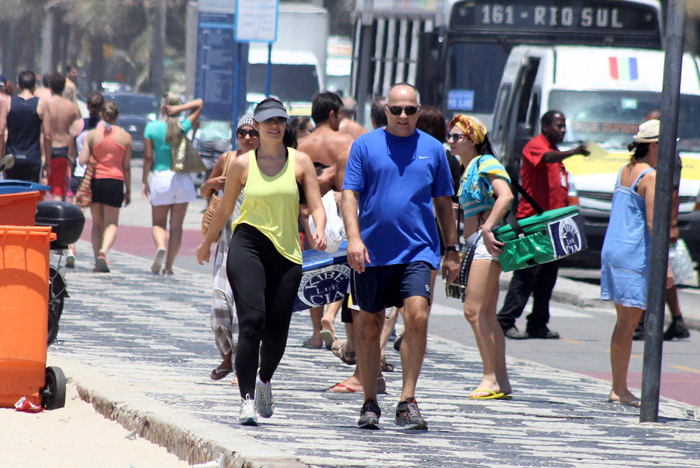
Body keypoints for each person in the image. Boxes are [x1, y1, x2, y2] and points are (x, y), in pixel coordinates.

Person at [195, 97, 327, 426]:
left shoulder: (301, 163)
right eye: (267, 121)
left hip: (286, 253)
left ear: (285, 125)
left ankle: (264, 380)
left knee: (277, 329)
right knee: (252, 322)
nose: (274, 126)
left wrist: (320, 230)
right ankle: (246, 400)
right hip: (247, 244)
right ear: (257, 124)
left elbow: (316, 205)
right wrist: (206, 243)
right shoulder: (241, 164)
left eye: (279, 120)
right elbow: (225, 209)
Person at [342, 83, 459, 430]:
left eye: (410, 110)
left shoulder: (434, 149)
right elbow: (350, 194)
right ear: (386, 110)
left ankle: (407, 400)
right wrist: (353, 239)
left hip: (419, 249)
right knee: (369, 327)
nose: (404, 116)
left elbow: (443, 203)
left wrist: (451, 250)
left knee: (418, 316)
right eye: (397, 110)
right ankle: (370, 402)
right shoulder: (365, 145)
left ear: (419, 110)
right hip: (373, 251)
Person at [497, 111, 588, 340]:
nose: (562, 130)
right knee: (526, 275)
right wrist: (575, 151)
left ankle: (538, 323)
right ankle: (505, 320)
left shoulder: (556, 153)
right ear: (545, 126)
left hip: (554, 225)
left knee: (547, 277)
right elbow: (546, 158)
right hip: (533, 224)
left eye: (564, 126)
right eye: (558, 125)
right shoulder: (536, 146)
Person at [600, 119, 673, 408]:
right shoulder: (650, 176)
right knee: (628, 324)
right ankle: (619, 388)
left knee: (623, 323)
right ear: (654, 145)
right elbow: (655, 222)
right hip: (634, 254)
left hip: (615, 249)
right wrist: (665, 265)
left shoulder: (625, 170)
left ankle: (619, 386)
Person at [448, 114, 514, 399]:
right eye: (449, 136)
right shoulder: (468, 168)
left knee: (473, 311)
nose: (451, 141)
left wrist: (487, 228)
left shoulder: (486, 162)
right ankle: (500, 380)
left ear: (473, 139)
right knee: (486, 314)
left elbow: (506, 196)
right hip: (477, 244)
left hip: (486, 245)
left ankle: (490, 378)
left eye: (457, 137)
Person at [200, 113, 260, 382]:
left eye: (252, 133)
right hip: (226, 240)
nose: (247, 137)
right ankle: (227, 355)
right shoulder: (227, 160)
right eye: (241, 133)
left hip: (253, 243)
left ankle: (241, 364)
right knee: (219, 303)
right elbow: (205, 192)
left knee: (243, 306)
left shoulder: (266, 164)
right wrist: (212, 185)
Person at [297, 92, 355, 349]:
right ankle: (332, 317)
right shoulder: (349, 142)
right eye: (340, 115)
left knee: (316, 269)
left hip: (311, 214)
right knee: (344, 267)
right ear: (332, 114)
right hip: (344, 213)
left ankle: (316, 334)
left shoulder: (302, 146)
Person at [632, 110, 690, 342]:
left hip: (660, 219)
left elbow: (673, 191)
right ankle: (672, 320)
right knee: (656, 271)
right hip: (651, 215)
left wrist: (672, 224)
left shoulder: (670, 155)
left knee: (659, 270)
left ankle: (650, 320)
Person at [142, 94, 203, 275]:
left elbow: (147, 158)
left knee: (159, 223)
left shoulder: (152, 127)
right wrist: (181, 110)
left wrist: (145, 180)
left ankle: (161, 246)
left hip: (162, 178)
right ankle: (169, 267)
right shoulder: (184, 126)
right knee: (176, 226)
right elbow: (200, 103)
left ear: (163, 107)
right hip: (182, 179)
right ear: (177, 107)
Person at [78, 101, 132, 272]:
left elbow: (82, 160)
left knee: (97, 224)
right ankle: (104, 251)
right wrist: (128, 190)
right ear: (117, 116)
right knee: (112, 223)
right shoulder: (125, 137)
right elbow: (127, 167)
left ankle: (96, 262)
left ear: (101, 115)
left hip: (96, 181)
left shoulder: (92, 135)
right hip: (115, 181)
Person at [65, 91, 105, 268]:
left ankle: (71, 249)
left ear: (87, 107)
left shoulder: (78, 125)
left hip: (79, 174)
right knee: (98, 220)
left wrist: (69, 175)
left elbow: (71, 154)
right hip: (97, 175)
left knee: (76, 215)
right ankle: (99, 257)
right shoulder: (106, 127)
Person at [0, 70, 52, 183]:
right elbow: (48, 136)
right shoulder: (41, 104)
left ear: (18, 86)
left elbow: (1, 132)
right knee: (30, 196)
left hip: (11, 159)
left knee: (12, 196)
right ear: (35, 86)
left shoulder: (8, 102)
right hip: (33, 159)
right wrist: (47, 162)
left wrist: (1, 160)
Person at [46, 72, 82, 201]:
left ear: (50, 87)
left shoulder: (44, 104)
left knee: (41, 188)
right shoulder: (71, 108)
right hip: (64, 150)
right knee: (59, 190)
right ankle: (59, 219)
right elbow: (79, 128)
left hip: (47, 149)